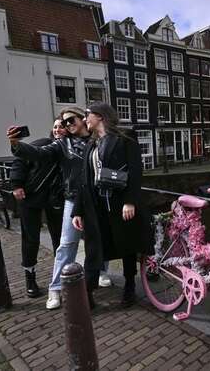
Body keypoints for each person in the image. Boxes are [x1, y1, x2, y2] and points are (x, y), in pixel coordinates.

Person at [7, 108, 111, 311]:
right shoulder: (63, 144)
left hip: (97, 198)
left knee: (100, 238)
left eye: (70, 120)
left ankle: (101, 272)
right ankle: (55, 288)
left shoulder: (98, 139)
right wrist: (16, 144)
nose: (67, 125)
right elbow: (38, 153)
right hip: (73, 199)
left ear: (82, 119)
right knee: (66, 244)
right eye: (63, 123)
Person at [71, 102, 150, 308]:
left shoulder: (125, 139)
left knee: (126, 246)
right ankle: (88, 291)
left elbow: (135, 171)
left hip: (118, 203)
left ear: (100, 116)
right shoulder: (91, 144)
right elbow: (83, 180)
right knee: (94, 248)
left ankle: (130, 287)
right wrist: (77, 211)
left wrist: (130, 201)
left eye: (88, 115)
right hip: (95, 206)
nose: (85, 119)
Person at [9, 118, 66, 298]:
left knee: (59, 239)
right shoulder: (44, 144)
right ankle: (30, 277)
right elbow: (20, 159)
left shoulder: (70, 149)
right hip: (31, 197)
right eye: (55, 126)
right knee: (31, 238)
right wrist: (17, 184)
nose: (58, 130)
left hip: (55, 200)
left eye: (62, 126)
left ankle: (61, 276)